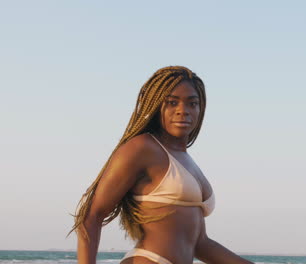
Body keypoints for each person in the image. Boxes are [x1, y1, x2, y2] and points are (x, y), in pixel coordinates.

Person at [70, 66, 254, 264]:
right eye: (172, 103)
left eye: (192, 103)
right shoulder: (142, 148)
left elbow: (200, 243)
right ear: (157, 106)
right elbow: (92, 216)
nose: (183, 111)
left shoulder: (186, 160)